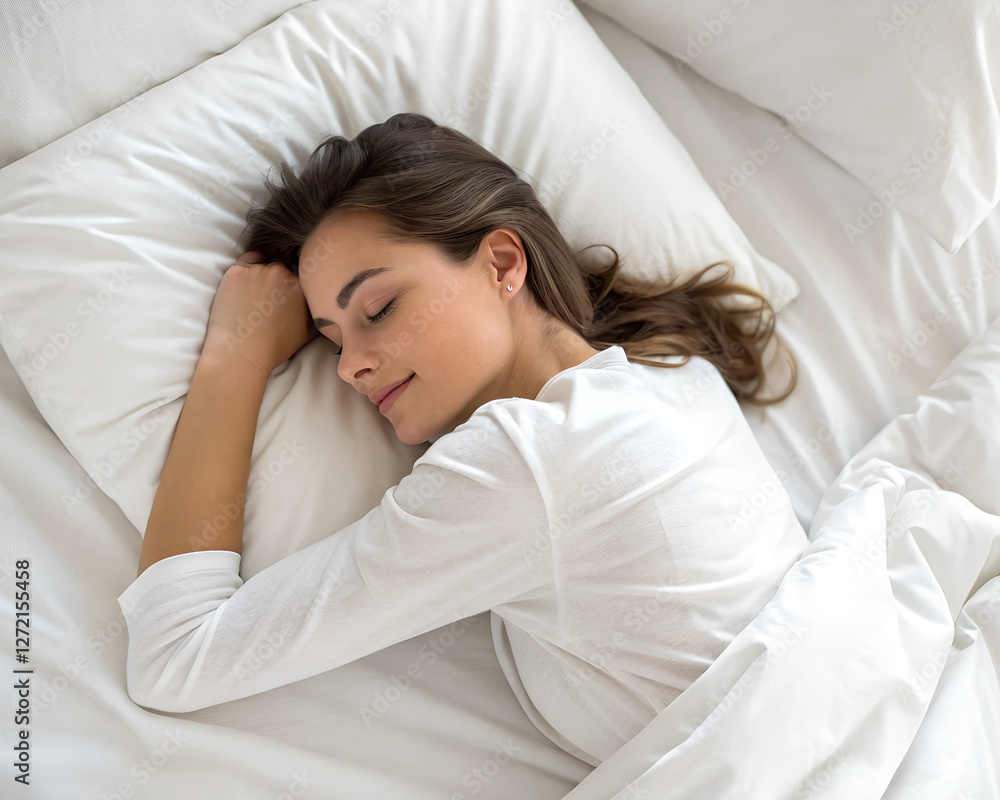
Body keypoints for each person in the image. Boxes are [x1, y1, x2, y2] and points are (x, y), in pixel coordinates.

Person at [118, 112, 807, 767]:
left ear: (503, 263)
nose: (350, 366)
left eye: (379, 309)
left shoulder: (522, 463)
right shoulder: (672, 371)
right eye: (328, 339)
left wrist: (233, 359)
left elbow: (174, 655)